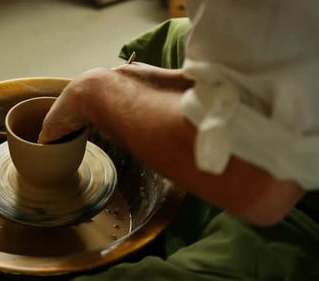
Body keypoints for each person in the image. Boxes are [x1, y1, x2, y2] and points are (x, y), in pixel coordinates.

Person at [38, 0, 319, 280]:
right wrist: (163, 84)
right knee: (173, 39)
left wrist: (94, 93)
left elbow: (259, 185)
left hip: (292, 191)